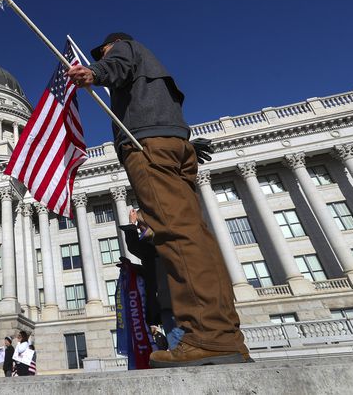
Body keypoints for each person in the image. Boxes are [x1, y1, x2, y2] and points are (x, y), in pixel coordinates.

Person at [67, 32, 249, 367]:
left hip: (147, 147)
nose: (105, 54)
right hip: (174, 144)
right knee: (196, 236)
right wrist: (187, 145)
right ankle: (226, 336)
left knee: (175, 235)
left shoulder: (123, 50)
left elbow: (116, 64)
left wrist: (96, 72)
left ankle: (207, 337)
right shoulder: (153, 67)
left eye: (104, 51)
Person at [121, 208, 181, 346]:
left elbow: (135, 247)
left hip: (170, 298)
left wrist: (131, 224)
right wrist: (133, 268)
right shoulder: (156, 245)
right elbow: (150, 268)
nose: (140, 230)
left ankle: (179, 350)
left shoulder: (158, 241)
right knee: (173, 334)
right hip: (165, 298)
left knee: (177, 339)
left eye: (141, 226)